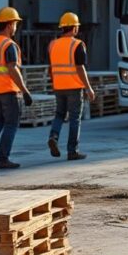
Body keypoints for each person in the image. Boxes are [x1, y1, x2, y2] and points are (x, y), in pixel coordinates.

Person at [0, 7, 34, 169]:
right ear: (10, 25)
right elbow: (12, 69)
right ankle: (2, 158)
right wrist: (25, 91)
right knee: (11, 124)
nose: (16, 27)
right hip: (8, 91)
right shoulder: (8, 45)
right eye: (15, 23)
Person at [47, 12, 96, 161]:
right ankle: (72, 151)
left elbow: (51, 67)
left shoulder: (53, 44)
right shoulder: (77, 45)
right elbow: (80, 68)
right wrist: (88, 88)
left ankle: (53, 137)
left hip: (58, 86)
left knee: (59, 115)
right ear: (74, 28)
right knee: (75, 119)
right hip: (74, 87)